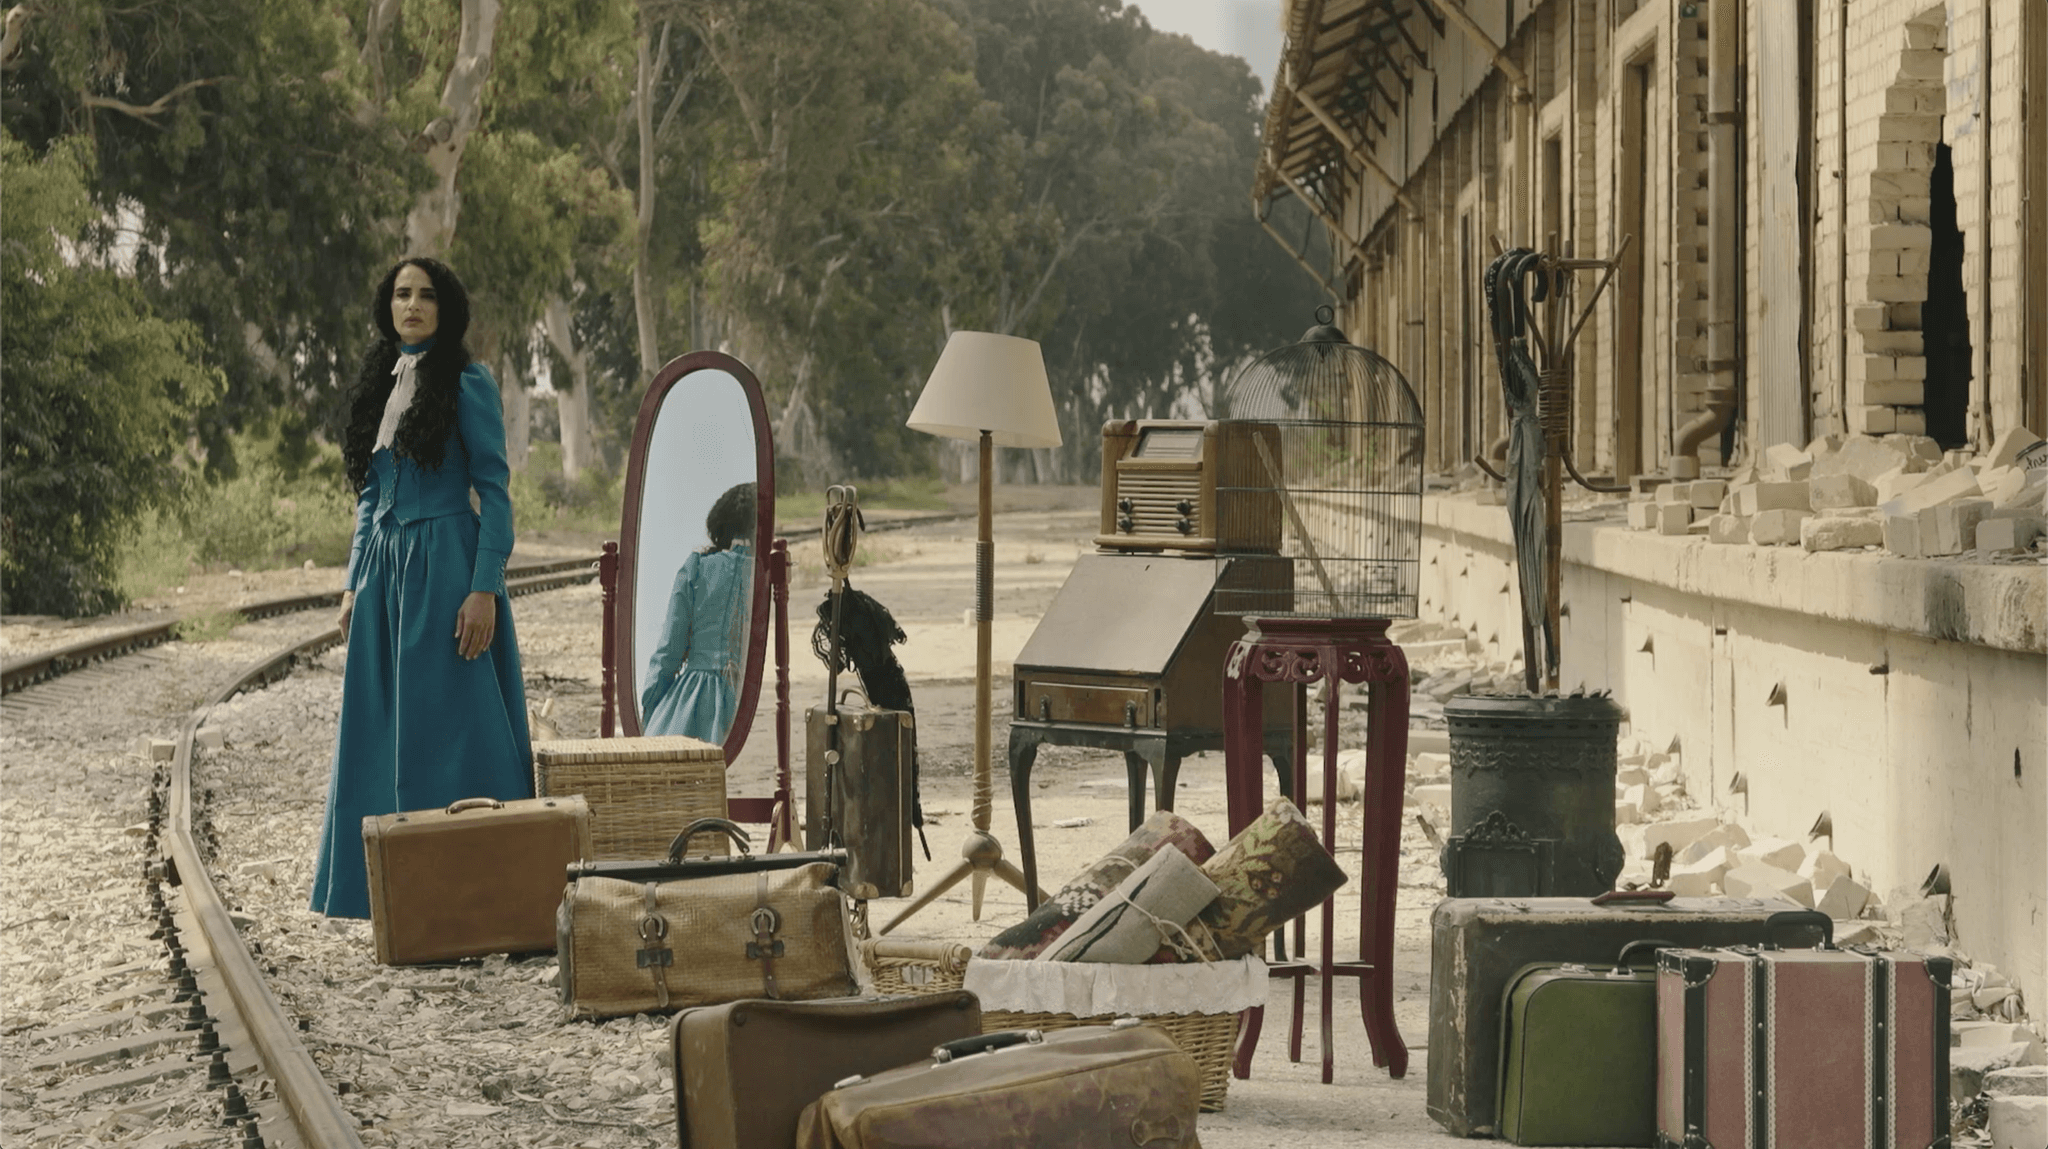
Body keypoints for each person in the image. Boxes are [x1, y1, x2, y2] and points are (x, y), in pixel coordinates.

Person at [309, 257, 533, 920]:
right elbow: (371, 495)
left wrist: (484, 587)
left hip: (446, 567)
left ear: (446, 308)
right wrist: (353, 584)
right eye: (402, 294)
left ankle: (485, 895)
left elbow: (494, 493)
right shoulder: (383, 381)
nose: (411, 305)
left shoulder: (468, 381)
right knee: (381, 730)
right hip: (385, 574)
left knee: (457, 728)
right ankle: (385, 893)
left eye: (426, 296)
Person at [641, 482, 756, 743]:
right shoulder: (766, 573)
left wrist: (651, 707)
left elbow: (668, 651)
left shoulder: (698, 567)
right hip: (753, 699)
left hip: (697, 700)